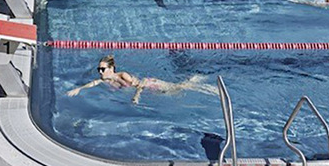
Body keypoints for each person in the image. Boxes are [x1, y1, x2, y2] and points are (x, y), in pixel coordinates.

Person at [66, 55, 217, 105]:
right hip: (149, 90)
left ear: (111, 68)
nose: (100, 72)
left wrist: (136, 97)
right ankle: (195, 80)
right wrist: (78, 89)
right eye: (99, 69)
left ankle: (206, 86)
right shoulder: (105, 81)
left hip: (150, 84)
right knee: (178, 91)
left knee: (180, 87)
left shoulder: (122, 75)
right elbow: (92, 83)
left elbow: (140, 85)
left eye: (102, 69)